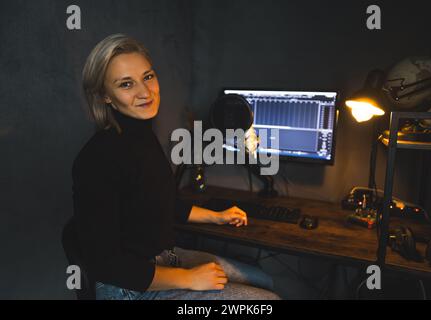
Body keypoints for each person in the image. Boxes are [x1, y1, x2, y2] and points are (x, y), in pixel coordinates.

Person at [72, 33, 280, 300]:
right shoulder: (96, 160)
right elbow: (106, 264)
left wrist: (217, 216)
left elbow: (162, 202)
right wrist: (191, 279)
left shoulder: (141, 135)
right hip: (128, 288)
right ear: (105, 97)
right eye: (126, 84)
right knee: (268, 302)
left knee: (265, 280)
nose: (145, 92)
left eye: (148, 77)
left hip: (165, 259)